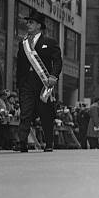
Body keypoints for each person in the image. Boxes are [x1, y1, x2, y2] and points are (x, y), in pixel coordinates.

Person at [15, 9, 61, 152]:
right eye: (27, 22)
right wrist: (19, 84)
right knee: (25, 113)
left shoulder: (50, 42)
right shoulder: (23, 44)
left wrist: (53, 76)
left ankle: (49, 143)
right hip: (27, 84)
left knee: (45, 114)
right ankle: (22, 142)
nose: (28, 25)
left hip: (43, 84)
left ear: (39, 26)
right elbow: (20, 65)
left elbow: (57, 61)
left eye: (31, 22)